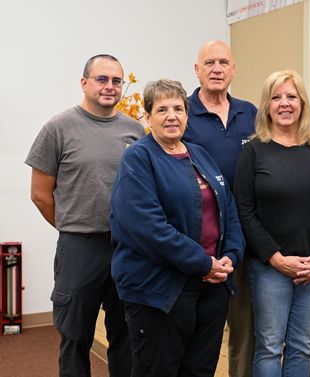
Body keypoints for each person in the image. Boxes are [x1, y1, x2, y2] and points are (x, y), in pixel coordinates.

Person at [109, 79, 245, 377]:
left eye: (178, 109)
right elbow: (148, 228)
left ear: (187, 115)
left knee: (199, 370)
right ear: (147, 117)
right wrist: (202, 263)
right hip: (160, 289)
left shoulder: (200, 154)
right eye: (162, 109)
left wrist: (231, 256)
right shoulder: (139, 158)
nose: (172, 116)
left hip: (211, 285)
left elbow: (229, 210)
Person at [25, 54, 145, 377]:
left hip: (127, 248)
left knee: (127, 336)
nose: (110, 86)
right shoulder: (57, 128)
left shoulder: (135, 131)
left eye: (116, 80)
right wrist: (72, 224)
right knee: (75, 336)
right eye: (102, 79)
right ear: (84, 83)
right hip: (79, 248)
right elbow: (39, 193)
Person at [234, 69, 310, 377]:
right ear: (267, 105)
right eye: (276, 97)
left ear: (303, 103)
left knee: (303, 345)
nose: (284, 103)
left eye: (291, 96)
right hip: (270, 269)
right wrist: (276, 258)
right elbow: (244, 211)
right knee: (268, 346)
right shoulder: (253, 151)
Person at [182, 40, 257, 377]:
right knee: (195, 328)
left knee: (244, 325)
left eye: (223, 62)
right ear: (196, 69)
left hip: (242, 237)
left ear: (233, 69)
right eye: (209, 62)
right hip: (197, 239)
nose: (216, 68)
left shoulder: (250, 113)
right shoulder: (181, 112)